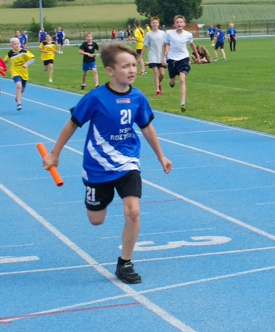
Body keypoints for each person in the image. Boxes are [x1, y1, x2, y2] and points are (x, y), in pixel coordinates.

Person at [42, 42, 172, 284]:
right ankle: (102, 196)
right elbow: (72, 123)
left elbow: (146, 127)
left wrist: (161, 156)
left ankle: (125, 263)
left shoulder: (138, 97)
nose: (132, 70)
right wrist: (54, 153)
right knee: (96, 219)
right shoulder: (95, 97)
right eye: (125, 66)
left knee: (133, 211)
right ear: (110, 71)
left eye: (134, 65)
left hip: (128, 163)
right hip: (98, 167)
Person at [162, 15, 202, 112]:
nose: (179, 24)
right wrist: (162, 59)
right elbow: (164, 45)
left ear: (184, 24)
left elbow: (192, 45)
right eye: (177, 22)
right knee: (172, 82)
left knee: (182, 80)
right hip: (172, 59)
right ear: (174, 24)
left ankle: (182, 102)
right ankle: (171, 82)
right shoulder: (169, 34)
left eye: (181, 22)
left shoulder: (188, 35)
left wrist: (197, 56)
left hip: (183, 59)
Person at [4, 37, 34, 110]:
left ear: (20, 44)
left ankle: (17, 96)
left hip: (24, 72)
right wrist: (0, 67)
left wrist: (26, 64)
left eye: (17, 43)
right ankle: (19, 103)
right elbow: (4, 61)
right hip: (15, 72)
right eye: (14, 44)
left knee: (22, 89)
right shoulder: (10, 53)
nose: (16, 45)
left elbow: (32, 58)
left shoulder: (24, 51)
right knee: (18, 86)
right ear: (11, 45)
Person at [142, 16, 166, 96]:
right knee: (155, 72)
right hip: (152, 55)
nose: (155, 24)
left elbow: (166, 44)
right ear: (150, 24)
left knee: (162, 73)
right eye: (153, 23)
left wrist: (168, 52)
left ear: (158, 24)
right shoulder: (148, 34)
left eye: (156, 23)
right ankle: (157, 90)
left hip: (161, 56)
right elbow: (144, 45)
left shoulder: (162, 33)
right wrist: (140, 56)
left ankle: (158, 84)